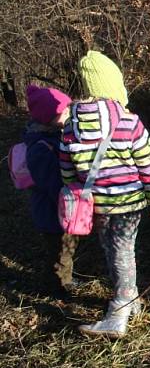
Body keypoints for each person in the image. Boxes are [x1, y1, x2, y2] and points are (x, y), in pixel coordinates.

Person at [60, 50, 150, 338]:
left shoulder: (71, 125)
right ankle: (121, 309)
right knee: (124, 252)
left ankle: (128, 300)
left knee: (113, 251)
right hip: (129, 203)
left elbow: (67, 172)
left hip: (97, 205)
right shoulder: (130, 122)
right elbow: (149, 166)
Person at [22, 84, 78, 299]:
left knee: (67, 246)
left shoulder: (55, 136)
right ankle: (56, 286)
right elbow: (51, 183)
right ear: (48, 118)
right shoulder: (40, 148)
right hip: (51, 211)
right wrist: (69, 202)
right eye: (64, 111)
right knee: (59, 251)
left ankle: (66, 278)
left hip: (60, 208)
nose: (68, 115)